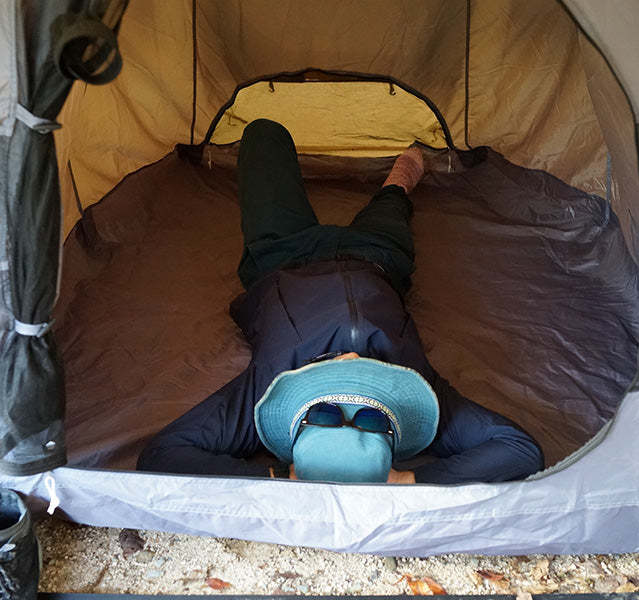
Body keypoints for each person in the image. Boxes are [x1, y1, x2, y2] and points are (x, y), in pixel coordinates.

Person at [137, 119, 543, 484]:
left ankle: (390, 184)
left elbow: (163, 454)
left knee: (263, 133)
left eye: (325, 413)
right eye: (371, 417)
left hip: (283, 255)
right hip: (376, 257)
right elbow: (519, 449)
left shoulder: (261, 394)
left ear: (297, 419)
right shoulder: (420, 393)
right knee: (392, 202)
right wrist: (410, 481)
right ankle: (398, 181)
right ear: (392, 424)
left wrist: (276, 479)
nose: (350, 367)